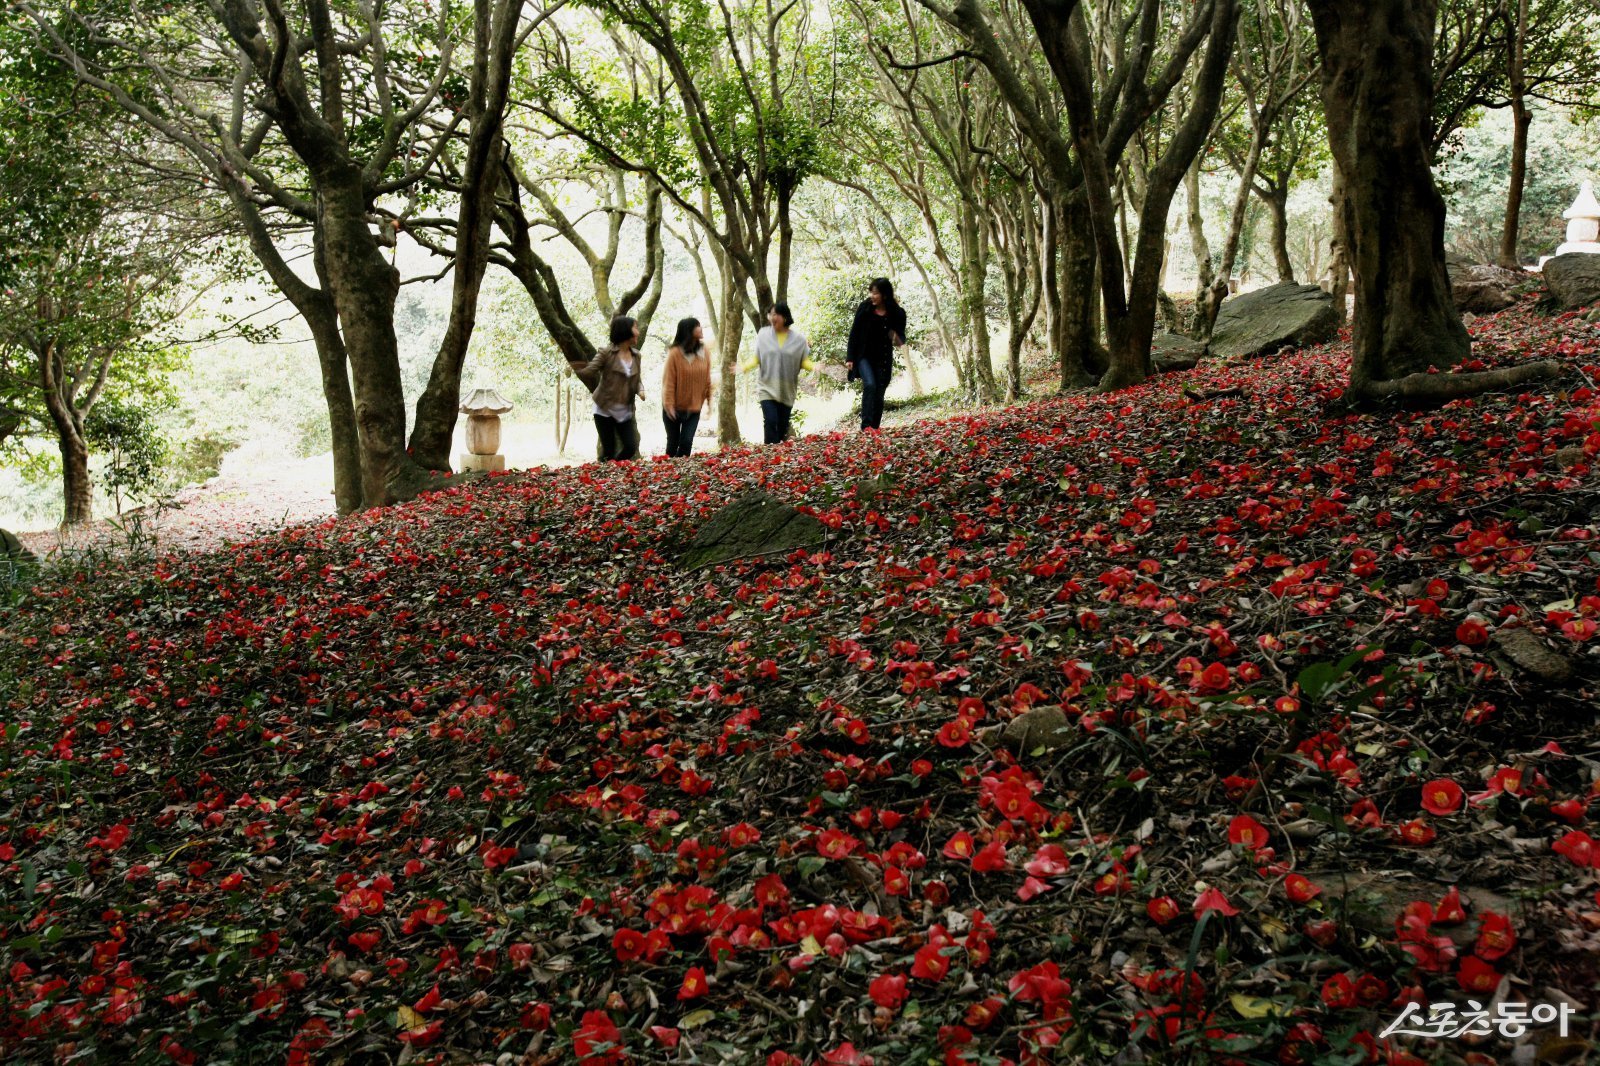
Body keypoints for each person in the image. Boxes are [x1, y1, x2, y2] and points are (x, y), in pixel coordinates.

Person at [744, 302, 816, 445]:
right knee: (770, 421)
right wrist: (744, 367)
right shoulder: (763, 335)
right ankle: (769, 456)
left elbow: (803, 361)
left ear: (785, 317)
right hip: (767, 387)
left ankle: (777, 456)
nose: (772, 317)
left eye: (775, 314)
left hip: (786, 390)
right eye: (770, 314)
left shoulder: (798, 339)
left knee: (782, 426)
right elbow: (756, 358)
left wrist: (814, 366)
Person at [577, 316, 645, 461]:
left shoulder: (636, 355)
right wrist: (577, 367)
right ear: (625, 331)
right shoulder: (606, 353)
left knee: (630, 447)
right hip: (604, 407)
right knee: (609, 450)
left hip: (623, 408)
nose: (638, 332)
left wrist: (640, 390)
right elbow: (590, 370)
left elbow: (637, 378)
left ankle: (613, 470)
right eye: (635, 328)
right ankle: (604, 474)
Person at [846, 277, 906, 431]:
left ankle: (875, 427)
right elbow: (855, 332)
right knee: (870, 385)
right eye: (871, 293)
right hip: (864, 356)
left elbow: (900, 339)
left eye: (875, 293)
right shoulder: (865, 308)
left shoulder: (895, 312)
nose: (872, 296)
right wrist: (850, 358)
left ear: (885, 295)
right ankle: (866, 427)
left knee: (879, 393)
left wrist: (896, 337)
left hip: (883, 359)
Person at [661, 317, 712, 457]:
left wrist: (708, 402)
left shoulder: (704, 351)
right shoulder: (675, 353)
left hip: (694, 407)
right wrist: (669, 405)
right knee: (673, 443)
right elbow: (669, 381)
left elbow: (707, 379)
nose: (701, 329)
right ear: (688, 330)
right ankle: (667, 473)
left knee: (686, 443)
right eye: (698, 326)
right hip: (673, 408)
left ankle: (680, 474)